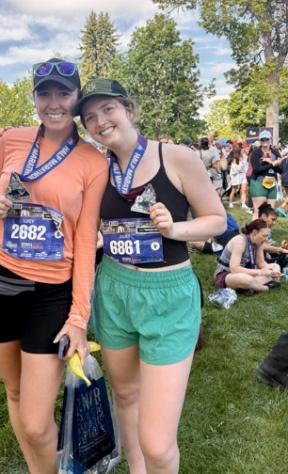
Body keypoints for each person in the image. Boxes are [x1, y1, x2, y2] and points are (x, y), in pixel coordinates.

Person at [74, 78, 226, 474]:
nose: (100, 121)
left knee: (158, 444)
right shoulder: (98, 167)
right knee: (125, 396)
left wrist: (174, 229)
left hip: (168, 296)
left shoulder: (176, 157)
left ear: (128, 109)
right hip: (114, 289)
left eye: (108, 109)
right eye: (90, 117)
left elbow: (217, 220)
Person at [0, 59, 108, 473]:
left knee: (35, 422)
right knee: (15, 392)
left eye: (63, 94)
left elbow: (85, 242)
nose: (53, 103)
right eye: (44, 93)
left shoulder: (93, 161)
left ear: (76, 98)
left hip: (48, 296)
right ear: (33, 97)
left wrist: (79, 316)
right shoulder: (11, 139)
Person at [214, 219, 281, 293]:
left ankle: (249, 287)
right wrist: (260, 272)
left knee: (276, 266)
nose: (266, 239)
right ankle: (265, 287)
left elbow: (261, 263)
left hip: (247, 271)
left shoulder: (259, 242)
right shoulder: (240, 241)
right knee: (245, 279)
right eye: (264, 236)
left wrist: (272, 271)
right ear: (254, 233)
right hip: (228, 273)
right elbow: (234, 269)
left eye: (267, 236)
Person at [249, 130, 283, 218]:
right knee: (258, 211)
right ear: (260, 140)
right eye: (262, 139)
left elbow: (281, 170)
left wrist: (271, 162)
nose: (264, 141)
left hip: (272, 183)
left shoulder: (275, 152)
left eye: (266, 139)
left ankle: (266, 228)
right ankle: (256, 227)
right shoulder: (256, 153)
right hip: (258, 183)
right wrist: (271, 164)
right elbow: (256, 170)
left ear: (270, 139)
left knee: (270, 212)